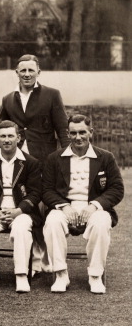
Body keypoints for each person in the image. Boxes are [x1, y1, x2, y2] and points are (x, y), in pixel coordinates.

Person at [0, 54, 70, 275]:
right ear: (17, 73)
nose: (27, 74)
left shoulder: (51, 94)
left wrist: (66, 159)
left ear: (38, 72)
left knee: (44, 210)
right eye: (23, 71)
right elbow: (3, 130)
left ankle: (46, 258)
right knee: (25, 209)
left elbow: (62, 130)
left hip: (45, 161)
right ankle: (32, 259)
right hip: (18, 164)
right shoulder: (8, 99)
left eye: (31, 70)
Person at [42, 114, 123, 294]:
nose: (78, 137)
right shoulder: (55, 158)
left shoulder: (106, 157)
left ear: (91, 132)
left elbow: (117, 189)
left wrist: (94, 205)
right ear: (67, 134)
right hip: (64, 206)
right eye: (73, 133)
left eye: (82, 132)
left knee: (102, 222)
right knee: (53, 222)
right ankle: (61, 274)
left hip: (93, 207)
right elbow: (46, 190)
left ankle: (95, 275)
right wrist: (64, 206)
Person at [0, 120, 42, 293]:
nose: (7, 140)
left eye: (11, 136)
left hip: (21, 211)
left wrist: (17, 211)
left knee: (21, 228)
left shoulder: (30, 162)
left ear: (18, 138)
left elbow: (35, 193)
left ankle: (21, 275)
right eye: (3, 136)